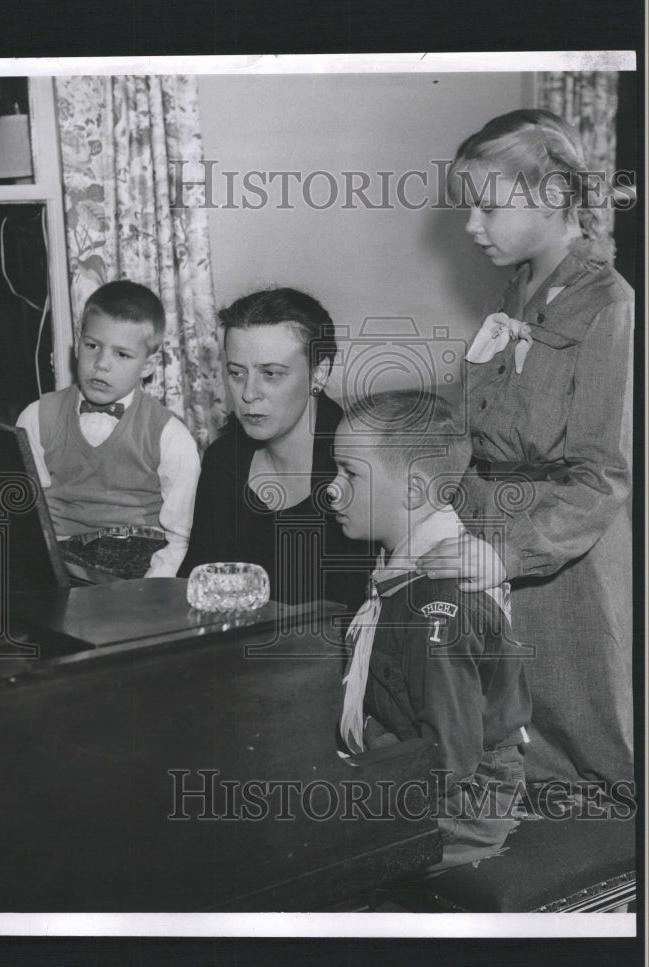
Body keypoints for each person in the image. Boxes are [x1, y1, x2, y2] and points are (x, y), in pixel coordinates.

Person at [416, 109, 634, 791]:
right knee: (503, 739)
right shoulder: (514, 290)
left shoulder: (609, 304)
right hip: (487, 534)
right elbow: (481, 430)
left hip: (561, 563)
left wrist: (507, 554)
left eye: (485, 206)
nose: (471, 226)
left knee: (585, 749)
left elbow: (602, 477)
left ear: (547, 196)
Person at [331, 390, 531, 871]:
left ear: (414, 490)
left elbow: (448, 759)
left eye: (350, 473)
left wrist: (356, 794)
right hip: (423, 773)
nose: (332, 490)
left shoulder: (435, 601)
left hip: (463, 808)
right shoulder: (407, 566)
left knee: (307, 855)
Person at [178, 287, 371, 609]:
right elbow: (197, 585)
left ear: (318, 373)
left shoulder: (359, 467)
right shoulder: (222, 461)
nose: (249, 394)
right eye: (237, 373)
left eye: (271, 374)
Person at [17, 280, 200, 577]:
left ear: (149, 365)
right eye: (92, 346)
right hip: (65, 557)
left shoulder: (170, 435)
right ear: (77, 346)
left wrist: (152, 591)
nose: (101, 364)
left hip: (138, 554)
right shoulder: (37, 417)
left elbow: (181, 536)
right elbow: (27, 515)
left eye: (122, 354)